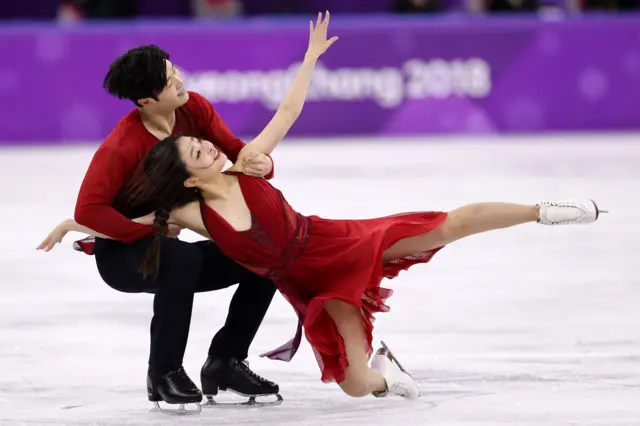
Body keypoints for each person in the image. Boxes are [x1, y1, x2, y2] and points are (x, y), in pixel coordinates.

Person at [40, 11, 605, 400]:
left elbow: (276, 123)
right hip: (258, 273)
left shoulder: (221, 155)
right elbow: (112, 214)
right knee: (353, 382)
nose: (208, 138)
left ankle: (542, 210)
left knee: (443, 226)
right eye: (170, 81)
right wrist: (77, 222)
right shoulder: (164, 188)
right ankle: (169, 373)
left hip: (326, 242)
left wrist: (308, 62)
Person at [57, 41, 283, 412]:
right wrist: (150, 229)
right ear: (146, 100)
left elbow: (234, 151)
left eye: (173, 69)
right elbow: (88, 211)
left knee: (265, 254)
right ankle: (163, 373)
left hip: (169, 243)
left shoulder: (194, 107)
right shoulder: (121, 147)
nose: (179, 80)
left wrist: (262, 165)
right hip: (123, 255)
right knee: (180, 258)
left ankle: (225, 361)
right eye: (167, 80)